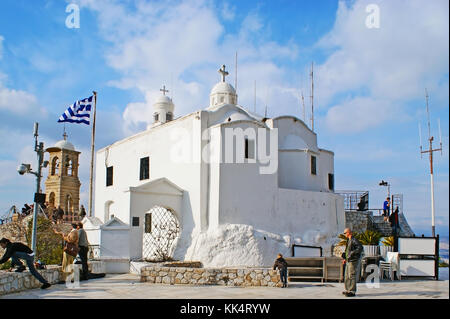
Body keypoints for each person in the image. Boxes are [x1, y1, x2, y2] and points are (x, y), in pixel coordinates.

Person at [341, 228, 363, 297]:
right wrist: (345, 258)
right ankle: (348, 290)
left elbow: (360, 247)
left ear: (349, 232)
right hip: (348, 260)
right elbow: (347, 250)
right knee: (347, 276)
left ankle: (352, 291)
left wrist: (352, 253)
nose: (344, 234)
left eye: (345, 233)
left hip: (353, 261)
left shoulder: (354, 240)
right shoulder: (348, 240)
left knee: (352, 275)